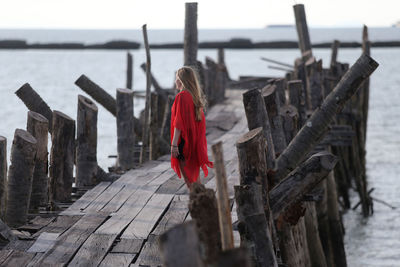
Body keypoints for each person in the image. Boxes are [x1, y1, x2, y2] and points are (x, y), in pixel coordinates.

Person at [170, 66, 213, 191]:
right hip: (193, 144)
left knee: (190, 182)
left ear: (182, 80)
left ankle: (201, 206)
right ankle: (204, 203)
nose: (175, 81)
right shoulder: (194, 97)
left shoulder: (182, 96)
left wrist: (174, 145)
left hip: (184, 144)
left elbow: (179, 124)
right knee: (195, 179)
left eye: (176, 78)